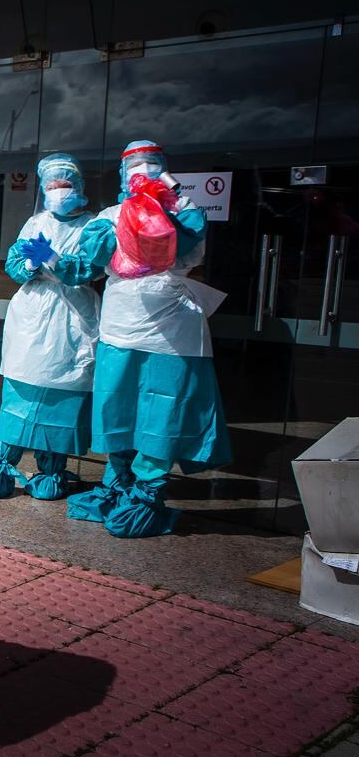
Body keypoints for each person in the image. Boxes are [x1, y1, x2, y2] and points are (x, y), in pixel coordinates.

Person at [62, 140, 231, 537]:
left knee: (164, 413)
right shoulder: (109, 214)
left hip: (174, 331)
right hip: (121, 327)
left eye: (152, 164)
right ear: (122, 174)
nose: (144, 170)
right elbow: (94, 255)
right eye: (135, 165)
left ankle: (147, 494)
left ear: (164, 168)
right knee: (117, 410)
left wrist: (161, 206)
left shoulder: (186, 212)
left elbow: (185, 245)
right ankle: (117, 483)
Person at [0, 152, 102, 500]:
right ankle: (0, 469)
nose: (59, 192)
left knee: (60, 400)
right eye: (51, 186)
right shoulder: (35, 223)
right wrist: (29, 264)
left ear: (78, 186)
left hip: (73, 317)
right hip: (32, 316)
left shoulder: (93, 225)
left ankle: (51, 472)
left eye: (64, 185)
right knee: (20, 392)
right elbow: (15, 264)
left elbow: (90, 268)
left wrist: (56, 260)